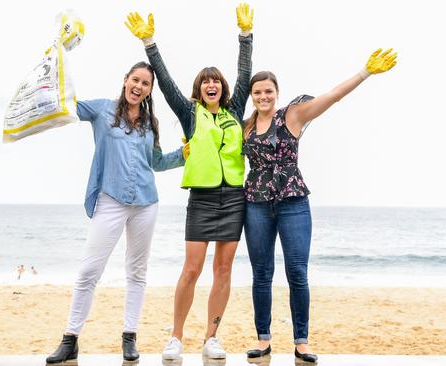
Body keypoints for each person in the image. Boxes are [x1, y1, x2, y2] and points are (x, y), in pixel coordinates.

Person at [241, 50, 398, 363]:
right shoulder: (244, 127)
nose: (263, 96)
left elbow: (333, 96)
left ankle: (301, 341)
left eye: (268, 91)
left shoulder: (293, 115)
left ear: (277, 93)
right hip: (256, 205)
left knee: (297, 272)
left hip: (293, 202)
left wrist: (365, 72)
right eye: (257, 92)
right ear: (251, 96)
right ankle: (263, 339)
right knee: (262, 274)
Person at [125, 3, 253, 360]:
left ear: (222, 87)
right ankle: (176, 337)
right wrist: (149, 43)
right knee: (192, 269)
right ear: (199, 89)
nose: (211, 83)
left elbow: (246, 74)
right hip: (202, 198)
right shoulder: (190, 113)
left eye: (216, 80)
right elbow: (164, 83)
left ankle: (212, 336)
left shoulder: (234, 110)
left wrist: (246, 37)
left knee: (223, 269)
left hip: (234, 199)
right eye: (205, 81)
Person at [44, 61, 187, 364]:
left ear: (150, 90)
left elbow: (157, 163)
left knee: (136, 273)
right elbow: (68, 107)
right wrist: (56, 69)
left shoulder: (151, 124)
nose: (139, 87)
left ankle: (129, 339)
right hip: (110, 200)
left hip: (146, 204)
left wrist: (183, 156)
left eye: (146, 84)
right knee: (88, 272)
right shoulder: (101, 110)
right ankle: (70, 340)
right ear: (125, 80)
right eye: (135, 80)